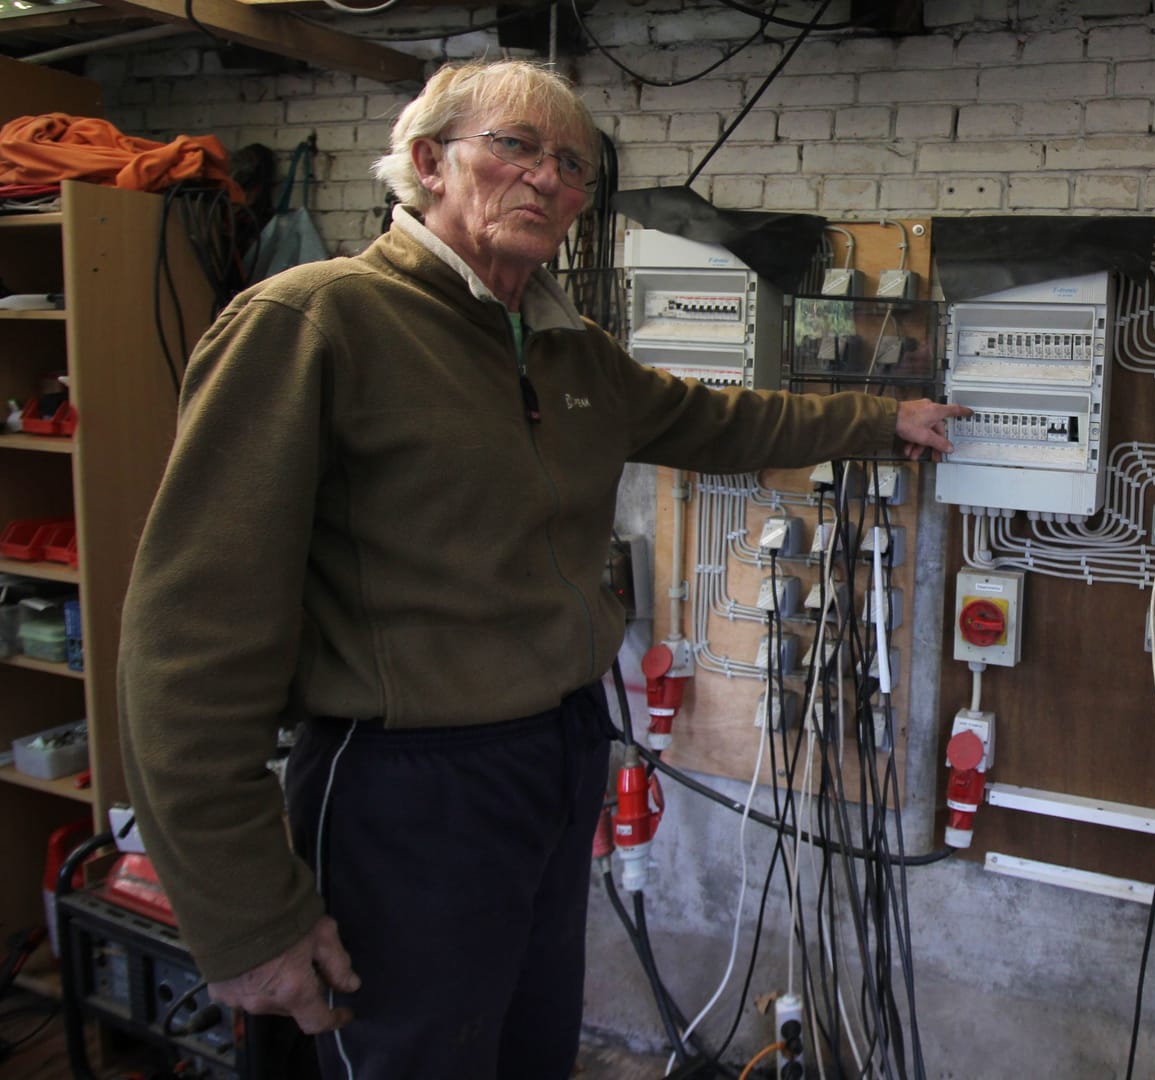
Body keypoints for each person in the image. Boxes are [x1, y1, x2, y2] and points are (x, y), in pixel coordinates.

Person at [117, 58, 966, 1080]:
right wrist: (245, 915)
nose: (549, 182)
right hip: (406, 790)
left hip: (556, 755)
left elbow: (717, 417)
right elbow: (188, 647)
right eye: (515, 147)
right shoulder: (312, 324)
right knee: (408, 1058)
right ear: (427, 163)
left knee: (525, 1048)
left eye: (571, 166)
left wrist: (883, 420)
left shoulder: (567, 349)